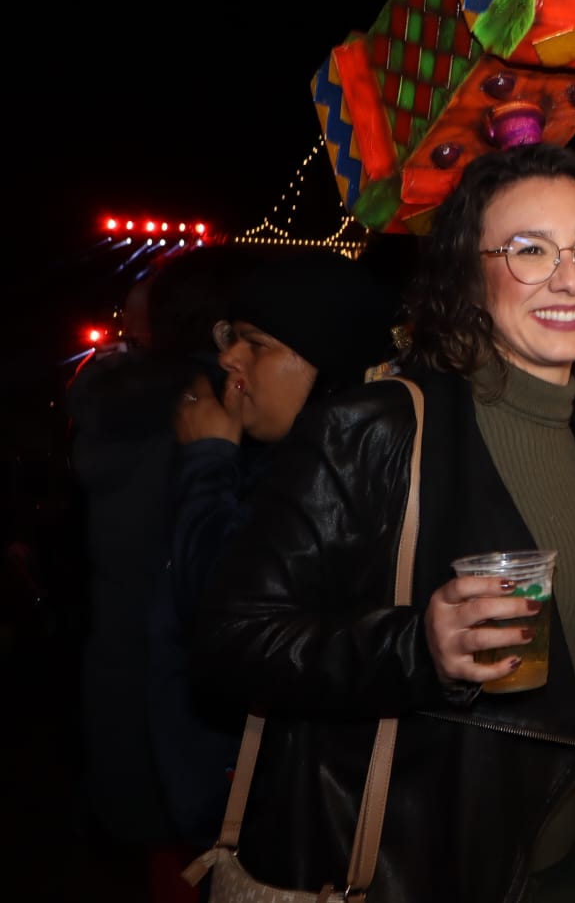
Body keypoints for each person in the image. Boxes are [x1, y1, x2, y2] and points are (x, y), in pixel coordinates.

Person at [192, 143, 575, 902]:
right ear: (468, 275)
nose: (568, 277)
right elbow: (230, 639)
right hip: (422, 867)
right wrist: (415, 645)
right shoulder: (376, 427)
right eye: (528, 251)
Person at [149, 248, 400, 855]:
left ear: (325, 363)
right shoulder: (271, 462)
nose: (229, 359)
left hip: (306, 830)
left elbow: (218, 613)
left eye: (255, 344)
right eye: (230, 338)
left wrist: (207, 463)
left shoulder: (340, 485)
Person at [64, 245, 261, 902]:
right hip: (196, 723)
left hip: (130, 696)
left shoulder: (117, 409)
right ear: (226, 327)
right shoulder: (222, 414)